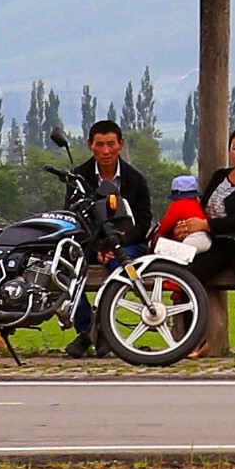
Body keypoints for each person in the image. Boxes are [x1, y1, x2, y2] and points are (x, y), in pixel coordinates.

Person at [173, 126, 235, 358]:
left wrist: (205, 225)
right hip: (217, 243)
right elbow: (204, 208)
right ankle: (196, 340)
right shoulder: (220, 176)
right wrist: (187, 226)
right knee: (188, 276)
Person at [64, 119, 155, 356]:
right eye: (100, 145)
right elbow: (73, 218)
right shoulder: (79, 177)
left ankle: (88, 337)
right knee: (66, 271)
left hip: (127, 244)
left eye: (111, 145)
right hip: (90, 244)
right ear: (90, 145)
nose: (106, 151)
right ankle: (90, 327)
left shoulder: (135, 179)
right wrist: (96, 248)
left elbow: (144, 220)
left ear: (121, 145)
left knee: (119, 270)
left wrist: (119, 243)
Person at [153, 173, 211, 262]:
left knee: (172, 257)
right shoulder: (196, 203)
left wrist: (159, 232)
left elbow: (165, 226)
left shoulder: (177, 205)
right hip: (206, 238)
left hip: (193, 239)